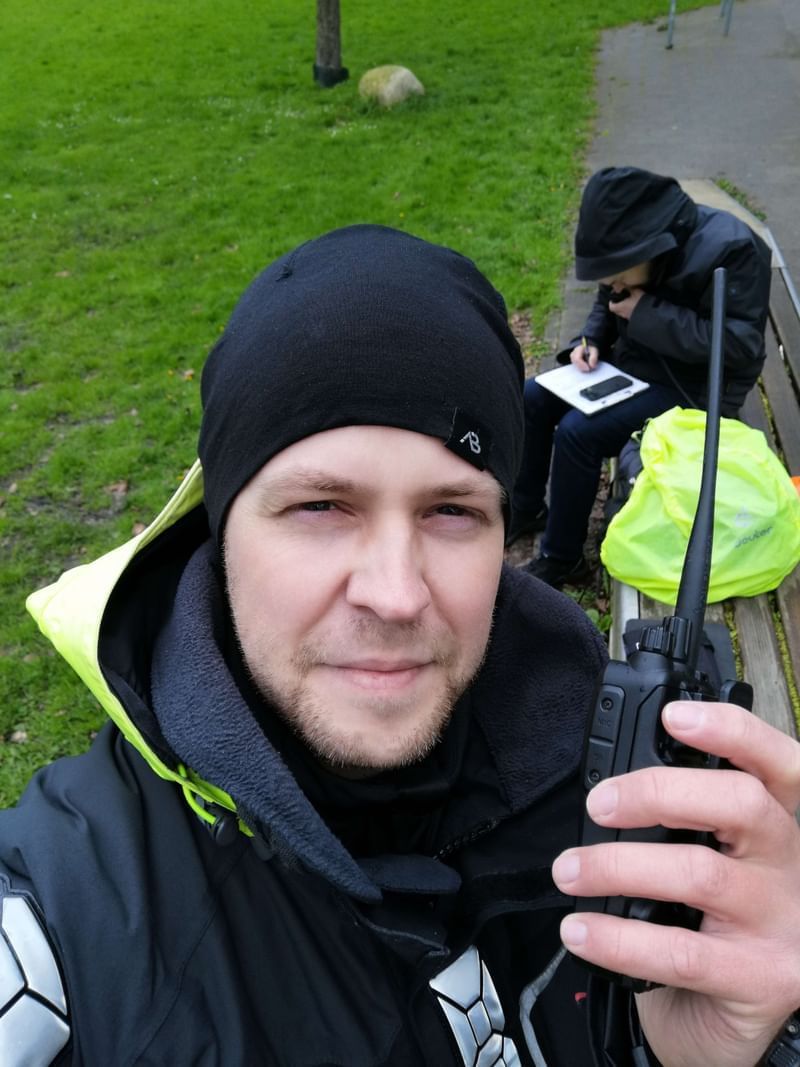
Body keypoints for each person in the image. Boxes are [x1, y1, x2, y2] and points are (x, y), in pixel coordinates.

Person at [1, 224, 798, 1067]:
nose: (396, 593)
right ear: (221, 530)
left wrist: (704, 1048)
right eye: (320, 507)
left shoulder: (611, 796)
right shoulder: (64, 925)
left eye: (452, 511)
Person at [509, 166, 772, 588]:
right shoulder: (636, 251)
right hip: (632, 368)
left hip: (694, 389)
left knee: (578, 433)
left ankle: (563, 559)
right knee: (532, 396)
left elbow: (739, 346)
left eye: (617, 275)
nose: (612, 284)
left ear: (654, 249)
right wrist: (591, 339)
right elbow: (609, 299)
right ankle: (527, 508)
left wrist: (646, 313)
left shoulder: (733, 250)